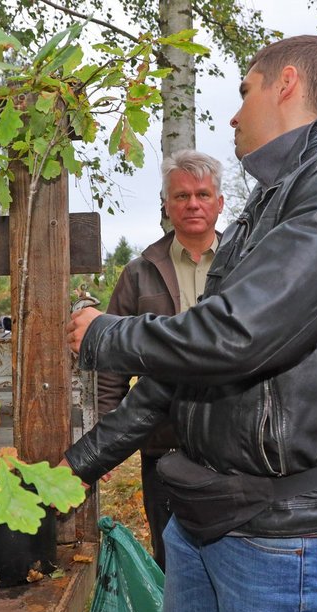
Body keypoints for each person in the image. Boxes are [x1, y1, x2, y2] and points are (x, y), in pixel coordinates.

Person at [64, 35, 317, 612]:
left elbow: (237, 334)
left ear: (286, 84)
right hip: (200, 518)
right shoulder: (266, 204)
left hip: (282, 535)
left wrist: (106, 336)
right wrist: (75, 467)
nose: (233, 114)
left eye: (245, 92)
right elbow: (184, 372)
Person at [97, 149, 224, 571]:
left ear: (219, 202)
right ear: (166, 206)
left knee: (234, 556)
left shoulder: (247, 263)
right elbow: (112, 364)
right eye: (182, 196)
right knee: (172, 555)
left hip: (235, 442)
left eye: (203, 194)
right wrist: (104, 445)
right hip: (163, 440)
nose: (193, 204)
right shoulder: (139, 273)